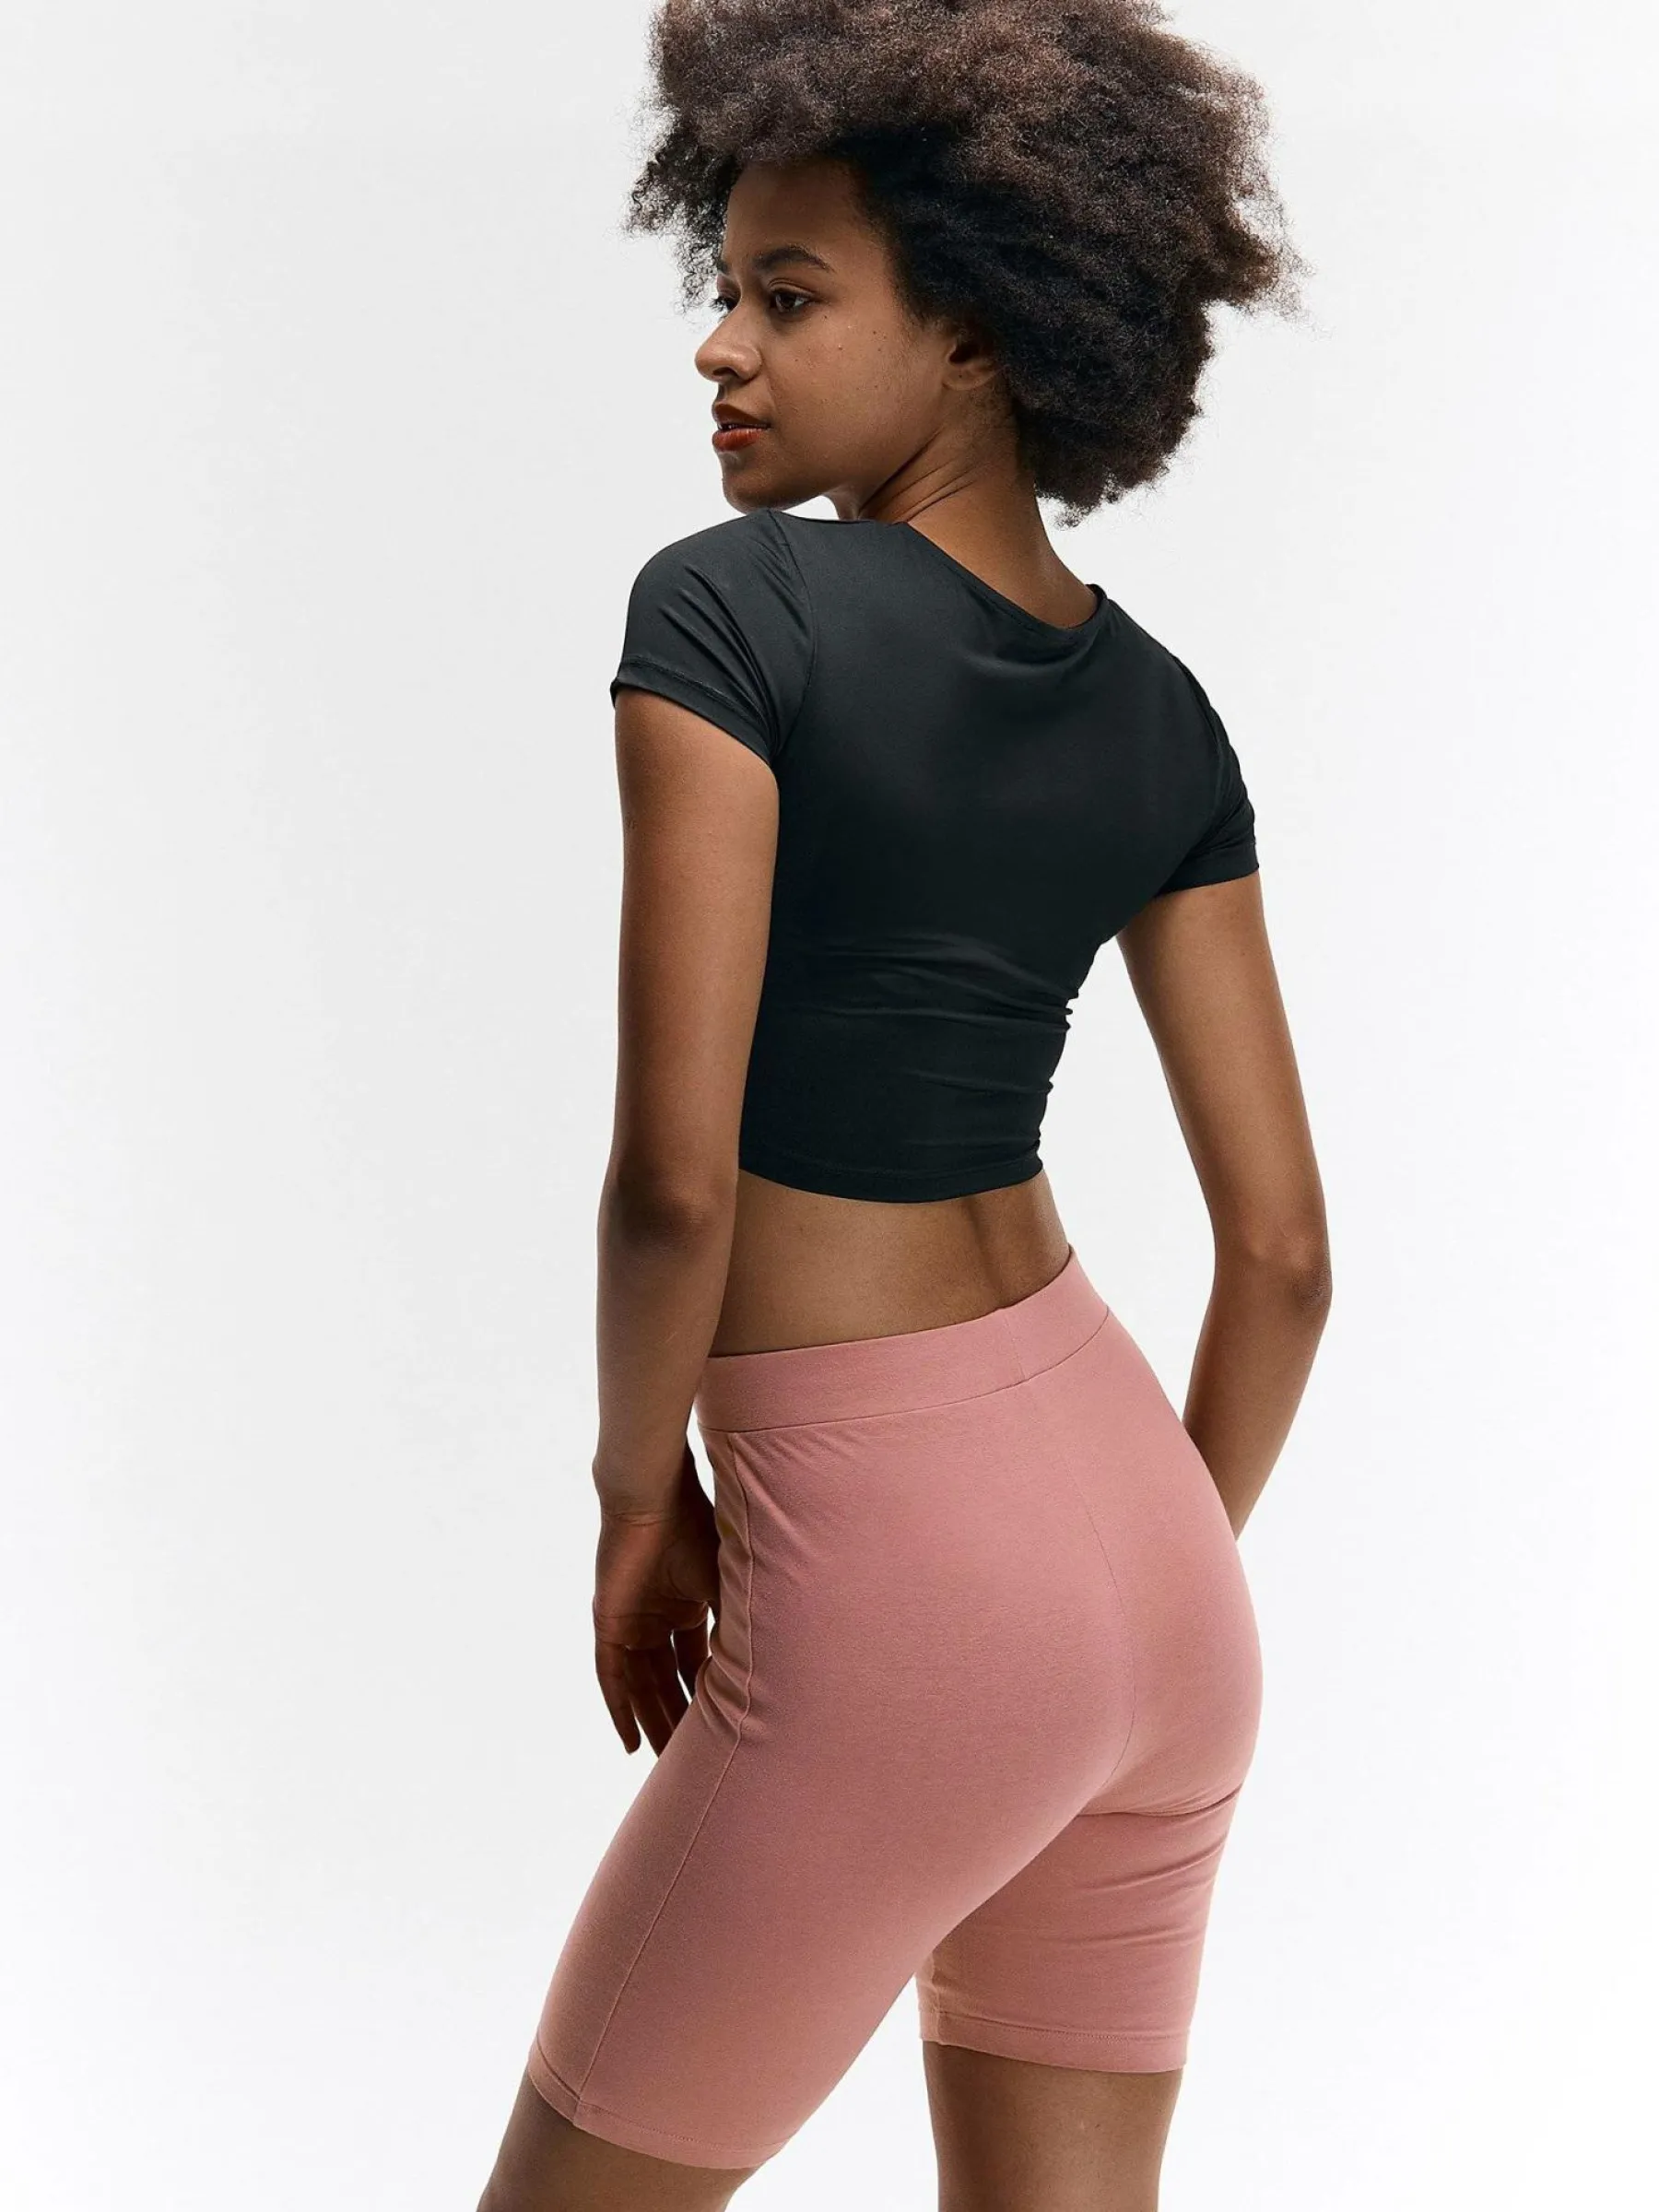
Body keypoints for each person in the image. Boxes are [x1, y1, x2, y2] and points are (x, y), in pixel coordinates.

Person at [479, 4, 1328, 2206]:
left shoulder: (735, 610)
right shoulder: (1166, 715)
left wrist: (636, 1501)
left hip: (894, 1570)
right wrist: (1123, 1605)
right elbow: (1284, 1260)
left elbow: (674, 1186)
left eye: (790, 297)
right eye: (722, 290)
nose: (720, 348)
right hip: (1166, 1577)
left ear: (971, 334)